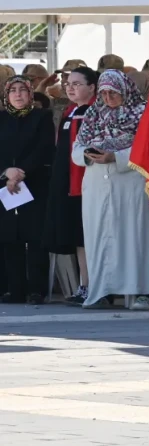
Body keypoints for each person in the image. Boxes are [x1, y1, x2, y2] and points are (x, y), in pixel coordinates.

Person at [73, 70, 149, 310]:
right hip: (97, 184)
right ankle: (101, 291)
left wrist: (116, 156)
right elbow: (77, 147)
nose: (108, 98)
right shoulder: (93, 113)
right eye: (104, 93)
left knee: (134, 237)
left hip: (131, 182)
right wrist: (87, 154)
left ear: (125, 90)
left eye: (113, 93)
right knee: (100, 237)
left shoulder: (142, 113)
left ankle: (142, 292)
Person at [44, 67, 96, 305]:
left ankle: (93, 285)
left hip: (86, 182)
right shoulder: (70, 110)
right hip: (66, 181)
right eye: (68, 84)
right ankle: (84, 284)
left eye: (77, 83)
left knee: (86, 236)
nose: (70, 87)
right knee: (77, 236)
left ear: (92, 87)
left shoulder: (94, 112)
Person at [0, 76, 54, 304]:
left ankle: (36, 290)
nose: (18, 94)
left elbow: (44, 148)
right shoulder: (1, 119)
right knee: (9, 237)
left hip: (35, 183)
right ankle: (15, 289)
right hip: (6, 185)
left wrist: (21, 172)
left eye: (22, 90)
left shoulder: (42, 117)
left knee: (35, 237)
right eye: (13, 90)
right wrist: (7, 171)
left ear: (31, 93)